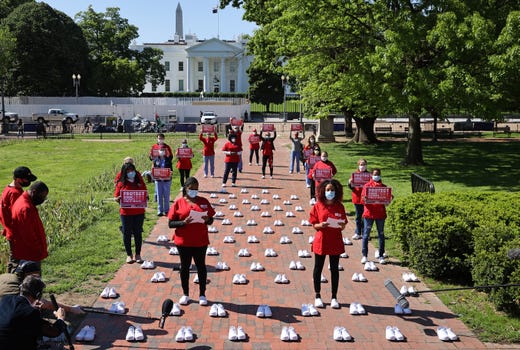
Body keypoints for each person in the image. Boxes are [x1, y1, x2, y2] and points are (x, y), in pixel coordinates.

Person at [168, 177, 215, 306]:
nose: (194, 191)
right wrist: (183, 222)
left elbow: (211, 221)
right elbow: (171, 223)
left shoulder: (203, 202)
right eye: (191, 189)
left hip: (200, 241)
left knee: (201, 267)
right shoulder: (179, 203)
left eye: (196, 189)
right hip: (183, 242)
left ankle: (202, 294)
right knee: (185, 267)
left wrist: (207, 219)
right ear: (186, 188)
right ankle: (186, 294)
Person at [0, 275, 67, 350]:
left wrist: (31, 307)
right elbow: (53, 332)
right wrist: (60, 318)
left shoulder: (5, 299)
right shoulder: (31, 313)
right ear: (38, 295)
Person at [309, 179, 347, 309]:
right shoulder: (318, 206)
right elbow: (314, 224)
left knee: (335, 269)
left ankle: (334, 297)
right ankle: (318, 295)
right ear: (323, 191)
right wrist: (321, 225)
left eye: (332, 190)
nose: (330, 192)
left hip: (335, 240)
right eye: (328, 190)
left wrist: (342, 225)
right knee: (318, 268)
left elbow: (343, 225)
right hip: (322, 239)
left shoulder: (339, 206)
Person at [0, 261, 84, 315]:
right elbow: (44, 303)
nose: (36, 280)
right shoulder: (17, 290)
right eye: (33, 277)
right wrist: (71, 309)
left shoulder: (8, 276)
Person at [9, 181, 49, 273]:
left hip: (26, 252)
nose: (43, 199)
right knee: (32, 282)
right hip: (30, 254)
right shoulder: (26, 208)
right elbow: (28, 235)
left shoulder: (24, 201)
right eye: (42, 196)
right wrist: (38, 250)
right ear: (34, 192)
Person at [114, 163, 147, 264]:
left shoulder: (140, 182)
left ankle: (138, 254)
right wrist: (118, 199)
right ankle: (129, 255)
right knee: (127, 233)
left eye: (132, 170)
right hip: (126, 213)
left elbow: (145, 192)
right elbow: (116, 196)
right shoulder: (121, 184)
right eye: (128, 171)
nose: (130, 173)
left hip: (139, 212)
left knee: (138, 232)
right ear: (124, 172)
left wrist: (145, 197)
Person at [361, 168, 388, 264]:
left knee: (381, 234)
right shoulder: (367, 186)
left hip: (380, 214)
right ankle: (364, 255)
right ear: (371, 175)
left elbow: (387, 200)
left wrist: (388, 199)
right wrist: (364, 199)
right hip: (369, 214)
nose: (376, 176)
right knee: (366, 234)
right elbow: (362, 200)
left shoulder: (384, 187)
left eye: (378, 174)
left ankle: (381, 255)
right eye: (375, 174)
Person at [348, 159, 369, 240]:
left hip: (366, 199)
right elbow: (351, 187)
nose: (362, 166)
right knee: (358, 216)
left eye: (363, 164)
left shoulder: (369, 175)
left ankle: (365, 233)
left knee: (365, 216)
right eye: (361, 164)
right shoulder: (355, 175)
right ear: (358, 165)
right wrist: (350, 183)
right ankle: (357, 232)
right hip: (357, 198)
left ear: (366, 165)